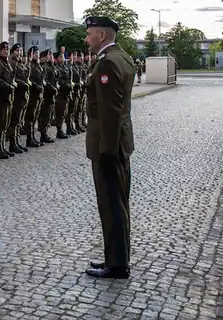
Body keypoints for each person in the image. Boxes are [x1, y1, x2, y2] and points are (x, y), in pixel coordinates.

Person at [83, 16, 135, 279]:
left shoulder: (107, 63)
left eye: (90, 34)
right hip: (119, 143)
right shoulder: (122, 57)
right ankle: (117, 257)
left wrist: (107, 151)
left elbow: (109, 112)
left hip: (109, 146)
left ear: (102, 35)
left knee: (111, 203)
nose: (86, 38)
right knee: (119, 202)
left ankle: (116, 264)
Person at [0, 42, 16, 159]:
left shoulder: (7, 64)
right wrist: (7, 86)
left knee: (5, 123)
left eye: (8, 49)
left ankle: (2, 146)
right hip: (1, 98)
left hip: (8, 98)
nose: (6, 51)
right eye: (4, 49)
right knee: (0, 124)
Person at [6, 43, 28, 154]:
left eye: (20, 51)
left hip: (22, 96)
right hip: (16, 96)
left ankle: (17, 141)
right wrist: (21, 83)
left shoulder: (20, 63)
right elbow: (12, 79)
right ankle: (12, 143)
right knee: (14, 121)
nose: (19, 53)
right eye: (17, 51)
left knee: (19, 120)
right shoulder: (11, 63)